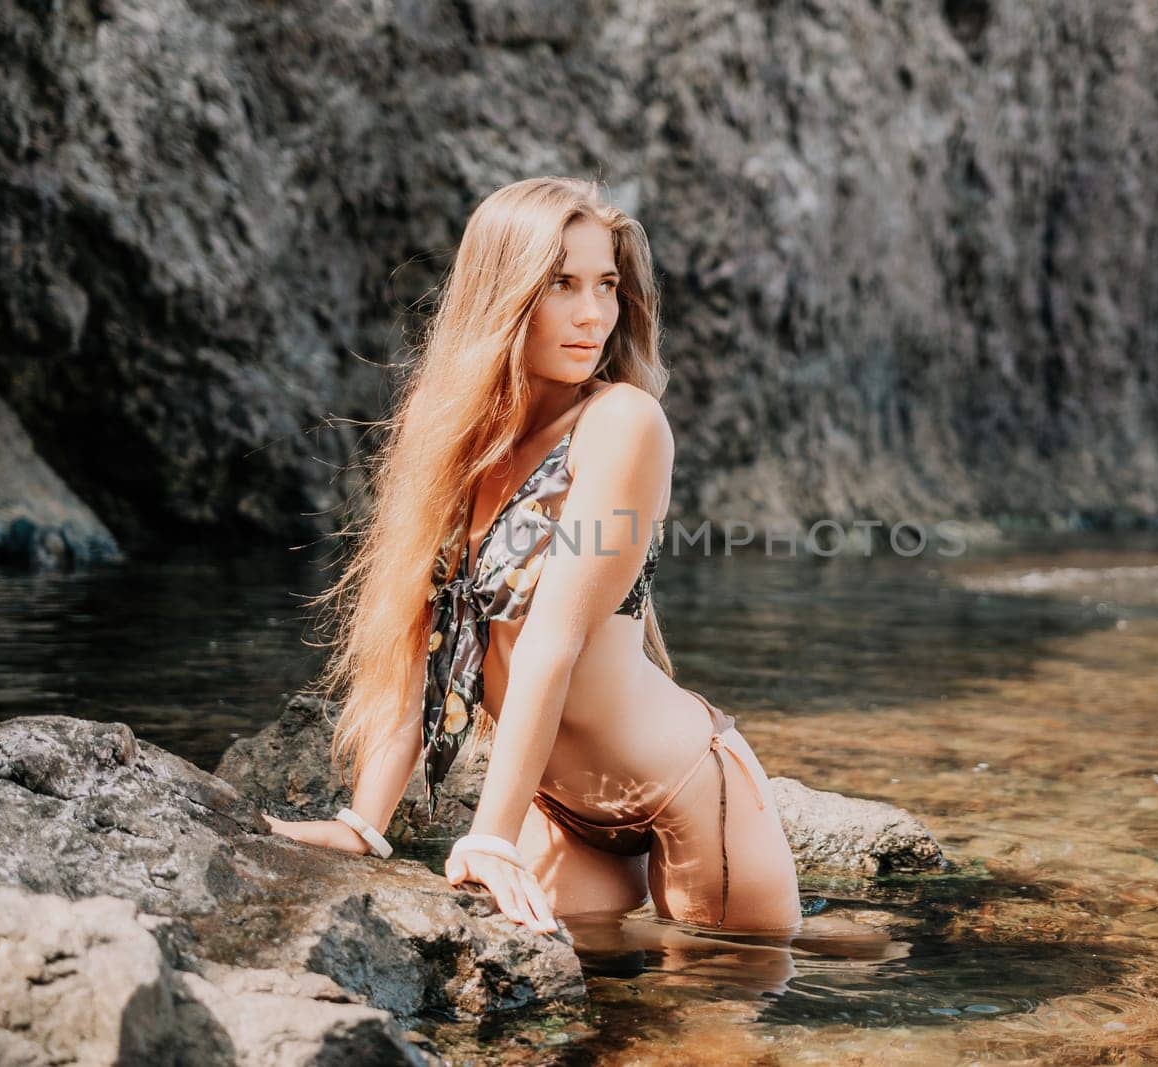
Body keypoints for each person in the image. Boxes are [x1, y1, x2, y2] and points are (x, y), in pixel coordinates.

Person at [264, 177, 802, 937]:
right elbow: (421, 644)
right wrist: (364, 823)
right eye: (562, 285)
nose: (594, 315)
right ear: (506, 293)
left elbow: (553, 641)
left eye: (607, 285)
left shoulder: (621, 422)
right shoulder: (459, 443)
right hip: (562, 814)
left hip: (687, 797)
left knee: (705, 1020)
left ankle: (871, 946)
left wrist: (487, 833)